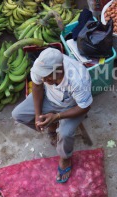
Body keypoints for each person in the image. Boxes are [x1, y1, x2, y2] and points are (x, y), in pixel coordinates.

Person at [12, 48, 93, 183]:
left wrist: (57, 116)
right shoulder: (40, 67)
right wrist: (38, 114)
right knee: (18, 114)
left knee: (65, 133)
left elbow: (85, 106)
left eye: (48, 76)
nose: (44, 79)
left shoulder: (78, 78)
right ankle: (51, 126)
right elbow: (37, 87)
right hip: (49, 99)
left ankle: (65, 157)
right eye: (43, 76)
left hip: (73, 106)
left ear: (60, 69)